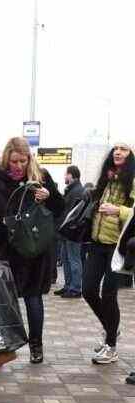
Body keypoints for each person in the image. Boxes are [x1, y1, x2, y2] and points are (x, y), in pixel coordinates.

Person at [0, 137, 65, 364]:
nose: (19, 166)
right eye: (14, 161)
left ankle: (36, 346)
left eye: (23, 161)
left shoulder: (40, 177)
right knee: (5, 301)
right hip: (6, 246)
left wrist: (49, 196)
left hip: (34, 248)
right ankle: (5, 347)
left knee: (33, 298)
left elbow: (60, 207)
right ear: (7, 158)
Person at [84, 143, 135, 364]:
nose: (118, 151)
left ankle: (111, 346)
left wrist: (118, 210)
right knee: (87, 289)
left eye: (124, 149)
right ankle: (111, 329)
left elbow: (134, 212)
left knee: (109, 294)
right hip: (97, 242)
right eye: (115, 148)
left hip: (118, 246)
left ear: (130, 155)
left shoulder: (132, 181)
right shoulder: (106, 179)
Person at [54, 165, 87, 298]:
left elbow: (75, 213)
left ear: (72, 175)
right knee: (66, 259)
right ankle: (68, 286)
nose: (64, 177)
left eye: (66, 174)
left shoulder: (78, 191)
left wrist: (70, 226)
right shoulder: (72, 190)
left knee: (73, 259)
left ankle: (76, 288)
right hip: (66, 231)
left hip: (73, 232)